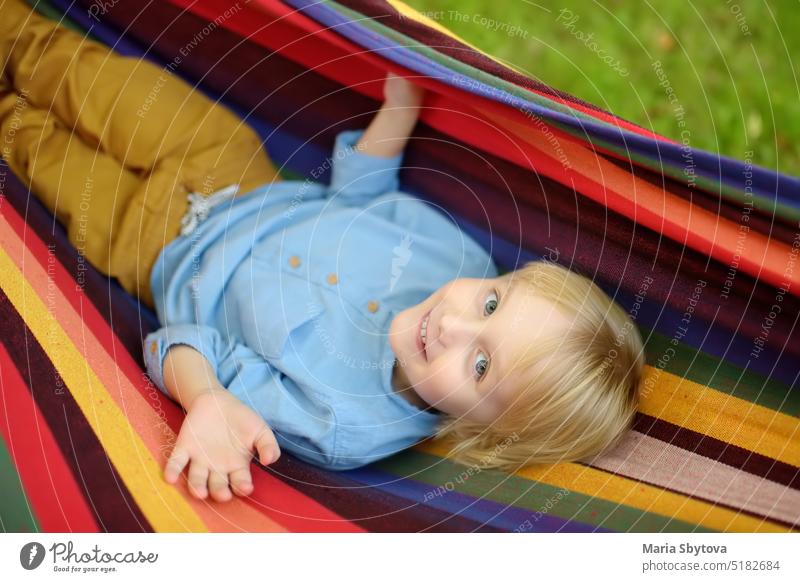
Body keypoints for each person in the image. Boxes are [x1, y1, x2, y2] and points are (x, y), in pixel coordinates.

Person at [0, 0, 644, 504]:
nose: (453, 322)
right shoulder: (458, 259)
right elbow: (362, 200)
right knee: (70, 68)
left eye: (481, 366)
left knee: (28, 141)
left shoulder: (340, 422)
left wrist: (208, 400)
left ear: (486, 434)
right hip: (229, 163)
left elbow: (190, 342)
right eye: (493, 302)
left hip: (151, 246)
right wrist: (396, 116)